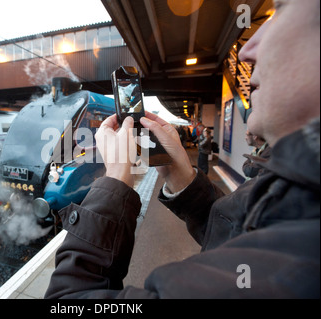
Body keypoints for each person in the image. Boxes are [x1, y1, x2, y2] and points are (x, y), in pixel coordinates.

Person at [45, 0, 319, 298]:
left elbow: (66, 302)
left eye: (280, 10)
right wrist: (180, 176)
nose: (247, 49)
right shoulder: (296, 200)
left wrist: (114, 179)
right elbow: (237, 233)